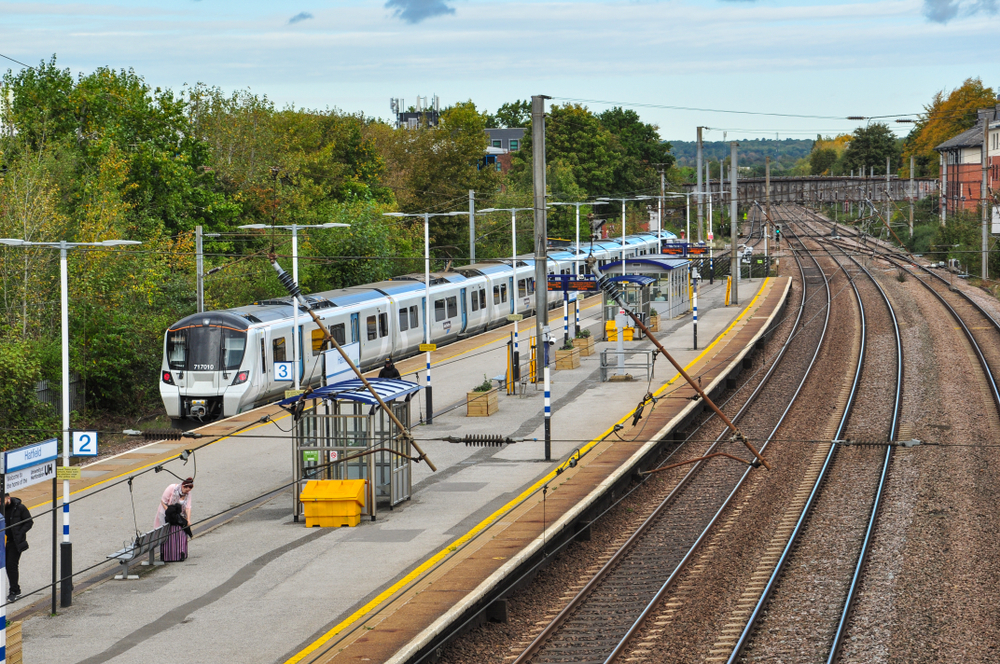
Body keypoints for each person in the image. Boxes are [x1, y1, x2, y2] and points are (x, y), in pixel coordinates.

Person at [154, 477, 193, 562]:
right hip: (166, 513)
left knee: (179, 531)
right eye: (186, 490)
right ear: (183, 486)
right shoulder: (172, 488)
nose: (187, 492)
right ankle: (167, 554)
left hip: (178, 515)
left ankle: (178, 552)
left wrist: (188, 519)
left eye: (189, 491)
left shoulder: (188, 494)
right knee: (166, 532)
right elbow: (163, 501)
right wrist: (169, 511)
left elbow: (188, 507)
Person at [4, 494, 33, 602]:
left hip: (14, 542)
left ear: (8, 498)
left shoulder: (19, 507)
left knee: (11, 565)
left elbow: (29, 522)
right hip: (2, 542)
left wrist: (19, 534)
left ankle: (14, 591)